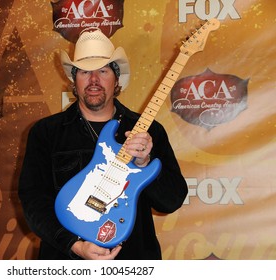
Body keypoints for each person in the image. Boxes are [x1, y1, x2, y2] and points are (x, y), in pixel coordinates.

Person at [18, 28, 188, 260]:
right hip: (65, 259)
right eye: (85, 72)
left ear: (116, 79)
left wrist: (143, 161)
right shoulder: (46, 133)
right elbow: (34, 202)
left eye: (103, 70)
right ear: (74, 80)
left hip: (133, 259)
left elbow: (172, 201)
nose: (94, 80)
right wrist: (74, 245)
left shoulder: (149, 130)